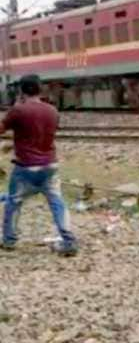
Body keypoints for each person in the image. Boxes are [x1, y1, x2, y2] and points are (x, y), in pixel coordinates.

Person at [1, 75, 78, 256]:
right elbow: (41, 135)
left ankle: (9, 240)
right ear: (40, 89)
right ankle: (69, 241)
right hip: (50, 166)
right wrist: (15, 143)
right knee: (57, 202)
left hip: (26, 167)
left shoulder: (18, 110)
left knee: (13, 202)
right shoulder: (52, 111)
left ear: (21, 90)